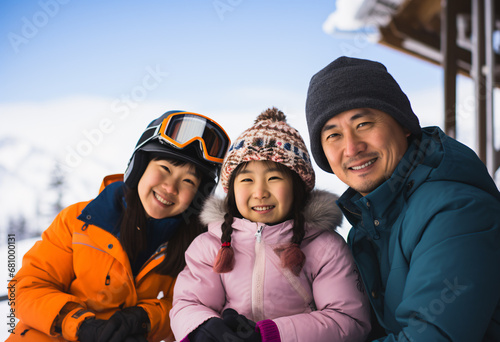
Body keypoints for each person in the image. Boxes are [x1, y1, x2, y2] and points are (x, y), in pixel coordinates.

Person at [305, 56, 500, 341]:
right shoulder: (369, 225)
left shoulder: (455, 210)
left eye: (364, 124)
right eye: (333, 135)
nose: (351, 147)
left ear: (404, 125)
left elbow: (431, 337)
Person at [7, 110, 231, 342]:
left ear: (197, 197)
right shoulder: (79, 220)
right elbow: (26, 289)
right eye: (164, 168)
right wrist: (82, 326)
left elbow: (187, 306)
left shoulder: (192, 245)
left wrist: (143, 319)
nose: (170, 188)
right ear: (140, 166)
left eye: (188, 181)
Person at [170, 107, 371, 342]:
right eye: (246, 180)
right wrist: (201, 329)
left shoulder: (324, 247)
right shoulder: (209, 246)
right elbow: (189, 302)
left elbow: (347, 319)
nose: (260, 192)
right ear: (232, 190)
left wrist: (271, 335)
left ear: (297, 188)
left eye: (274, 178)